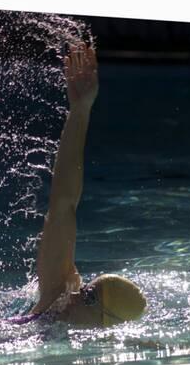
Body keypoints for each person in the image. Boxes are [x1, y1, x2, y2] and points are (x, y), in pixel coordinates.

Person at [8, 43, 146, 327]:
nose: (78, 293)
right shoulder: (54, 305)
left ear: (107, 322)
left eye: (90, 297)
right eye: (88, 288)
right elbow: (63, 204)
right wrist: (80, 110)